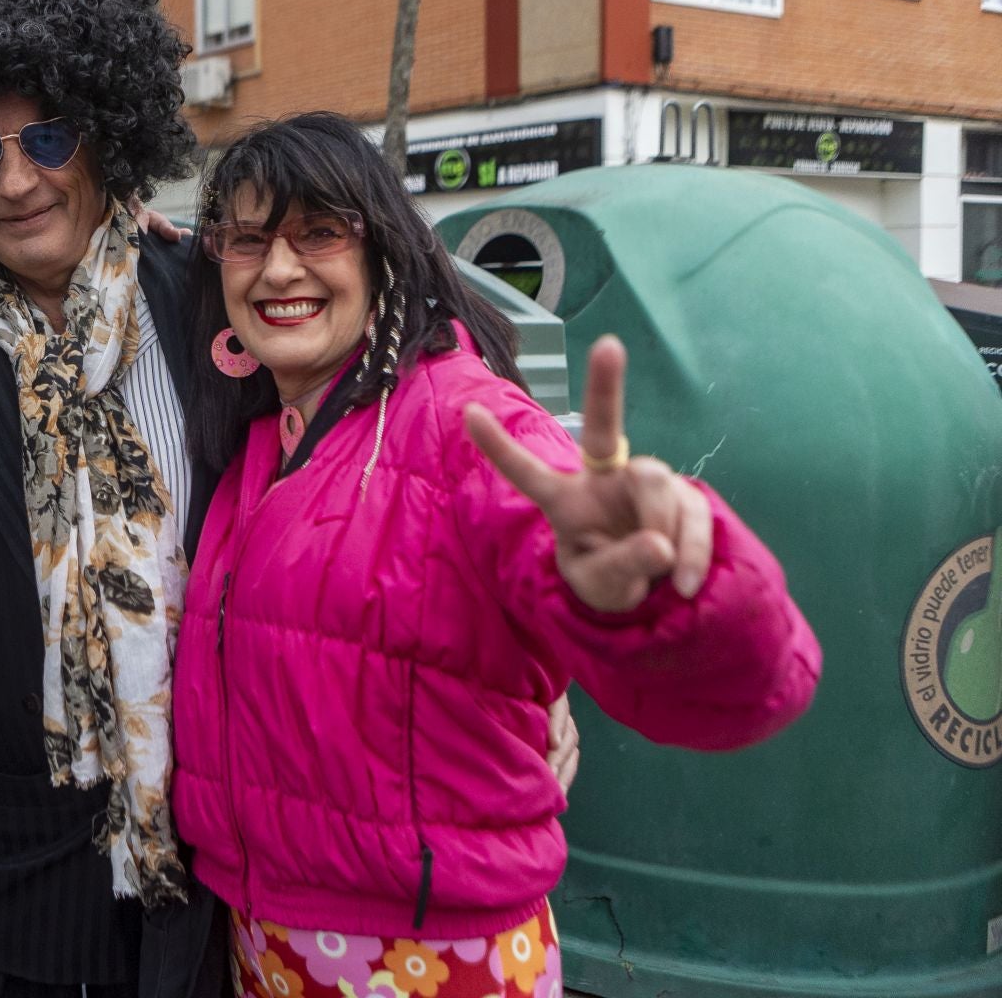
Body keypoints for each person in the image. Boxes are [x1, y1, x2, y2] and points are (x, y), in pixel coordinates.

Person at [0, 0, 576, 998]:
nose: (19, 177)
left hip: (215, 893)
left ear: (105, 133)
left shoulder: (220, 297)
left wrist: (535, 666)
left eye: (47, 135)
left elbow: (399, 428)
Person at [171, 113, 822, 998]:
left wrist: (657, 590)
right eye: (247, 240)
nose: (279, 269)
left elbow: (742, 686)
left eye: (318, 232)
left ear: (382, 253)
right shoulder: (262, 442)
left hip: (434, 963)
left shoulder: (465, 423)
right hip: (267, 945)